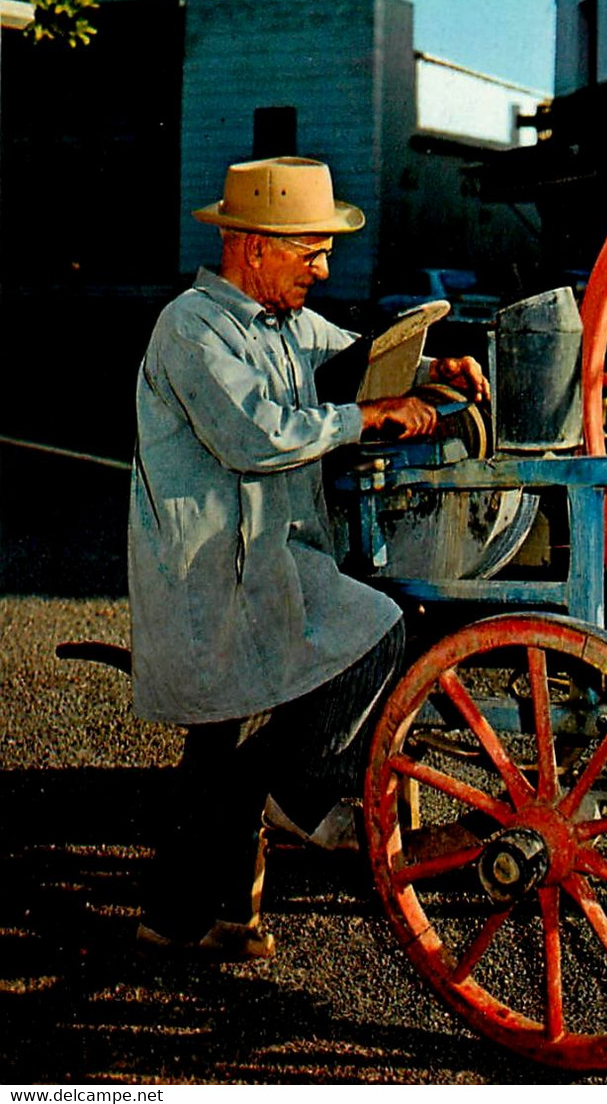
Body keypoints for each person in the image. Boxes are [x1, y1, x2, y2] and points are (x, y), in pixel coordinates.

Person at [128, 156, 489, 959]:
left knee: (222, 750)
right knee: (373, 631)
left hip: (263, 564)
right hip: (209, 575)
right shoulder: (190, 326)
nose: (323, 270)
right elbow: (254, 435)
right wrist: (368, 418)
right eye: (309, 253)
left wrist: (436, 368)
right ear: (254, 246)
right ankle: (297, 795)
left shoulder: (285, 323)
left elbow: (358, 356)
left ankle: (190, 917)